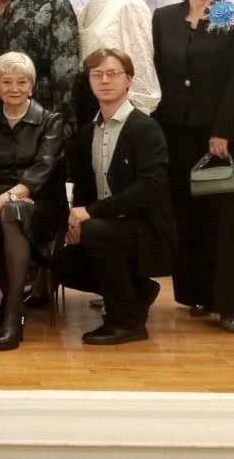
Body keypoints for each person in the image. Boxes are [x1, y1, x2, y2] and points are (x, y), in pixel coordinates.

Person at [153, 0, 234, 332]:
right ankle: (196, 293)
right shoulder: (165, 17)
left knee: (222, 218)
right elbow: (157, 71)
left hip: (217, 137)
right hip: (173, 132)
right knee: (185, 214)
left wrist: (222, 130)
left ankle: (227, 305)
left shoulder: (233, 16)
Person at [57, 48, 176, 346]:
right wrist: (76, 219)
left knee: (97, 230)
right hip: (105, 227)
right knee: (59, 259)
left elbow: (150, 187)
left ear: (129, 80)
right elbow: (84, 187)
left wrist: (92, 213)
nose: (105, 80)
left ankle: (125, 322)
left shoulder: (145, 128)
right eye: (97, 75)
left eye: (113, 74)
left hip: (146, 231)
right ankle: (138, 290)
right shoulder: (87, 133)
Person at [0, 52, 66, 351]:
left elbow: (43, 170)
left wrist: (6, 201)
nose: (14, 88)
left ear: (31, 86)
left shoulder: (51, 121)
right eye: (6, 82)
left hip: (41, 206)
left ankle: (11, 317)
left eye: (22, 82)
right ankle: (15, 298)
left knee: (14, 211)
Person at [0, 0, 80, 129]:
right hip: (11, 99)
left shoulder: (58, 4)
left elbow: (66, 69)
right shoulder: (12, 7)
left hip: (46, 102)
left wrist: (61, 118)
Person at [76, 0, 160, 123]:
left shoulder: (129, 6)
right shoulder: (82, 12)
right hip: (91, 104)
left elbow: (142, 62)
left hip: (123, 108)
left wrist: (138, 112)